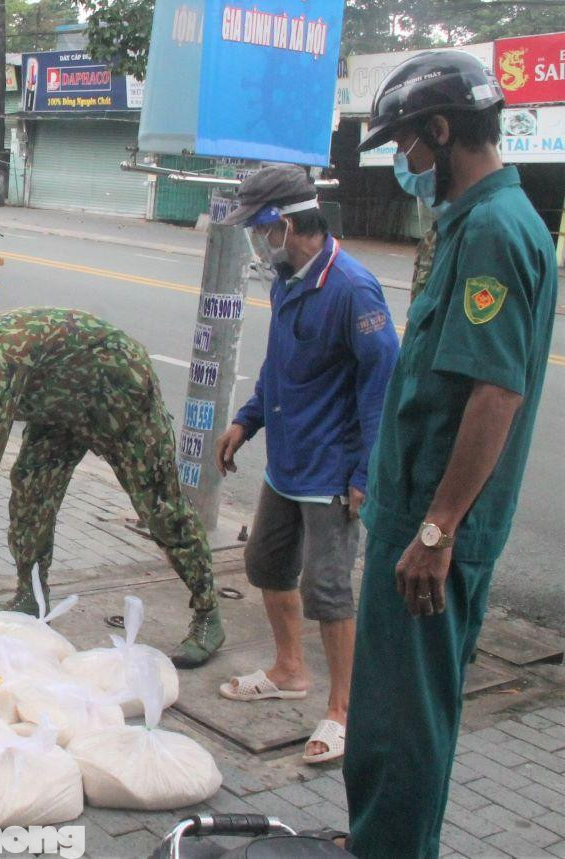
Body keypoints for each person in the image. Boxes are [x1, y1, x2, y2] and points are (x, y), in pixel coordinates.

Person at [347, 51, 557, 857]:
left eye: (407, 144)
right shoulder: (478, 224)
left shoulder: (496, 233)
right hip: (417, 517)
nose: (405, 162)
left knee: (404, 724)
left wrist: (435, 531)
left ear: (442, 130)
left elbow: (494, 394)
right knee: (392, 713)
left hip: (433, 533)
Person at [0, 292, 224, 668]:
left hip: (117, 388)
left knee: (159, 505)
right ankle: (31, 594)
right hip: (60, 403)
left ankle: (208, 614)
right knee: (30, 489)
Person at [213, 165, 399, 764]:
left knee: (328, 589)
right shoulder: (287, 278)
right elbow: (278, 365)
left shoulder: (353, 289)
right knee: (265, 562)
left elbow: (381, 390)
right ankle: (289, 669)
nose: (255, 241)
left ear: (286, 224)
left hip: (332, 473)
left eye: (259, 229)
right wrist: (246, 420)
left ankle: (341, 710)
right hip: (286, 464)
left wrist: (365, 474)